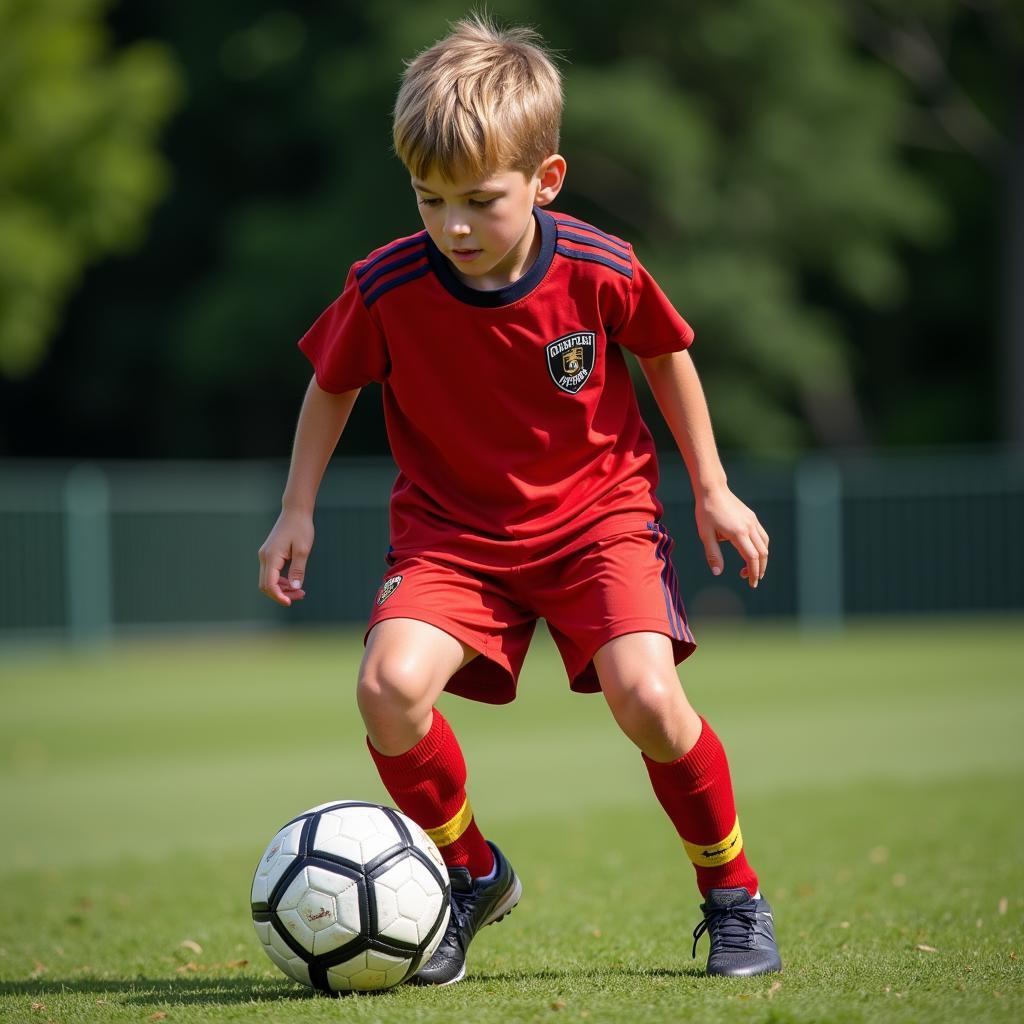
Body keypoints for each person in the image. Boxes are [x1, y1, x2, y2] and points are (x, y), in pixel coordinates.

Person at [258, 14, 781, 985]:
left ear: (544, 181)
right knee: (387, 688)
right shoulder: (386, 285)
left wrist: (711, 488)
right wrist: (297, 509)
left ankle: (734, 894)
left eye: (479, 201)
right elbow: (331, 381)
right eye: (429, 198)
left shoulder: (599, 265)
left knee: (648, 697)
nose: (453, 225)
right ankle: (470, 870)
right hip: (453, 536)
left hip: (600, 523)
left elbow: (667, 354)